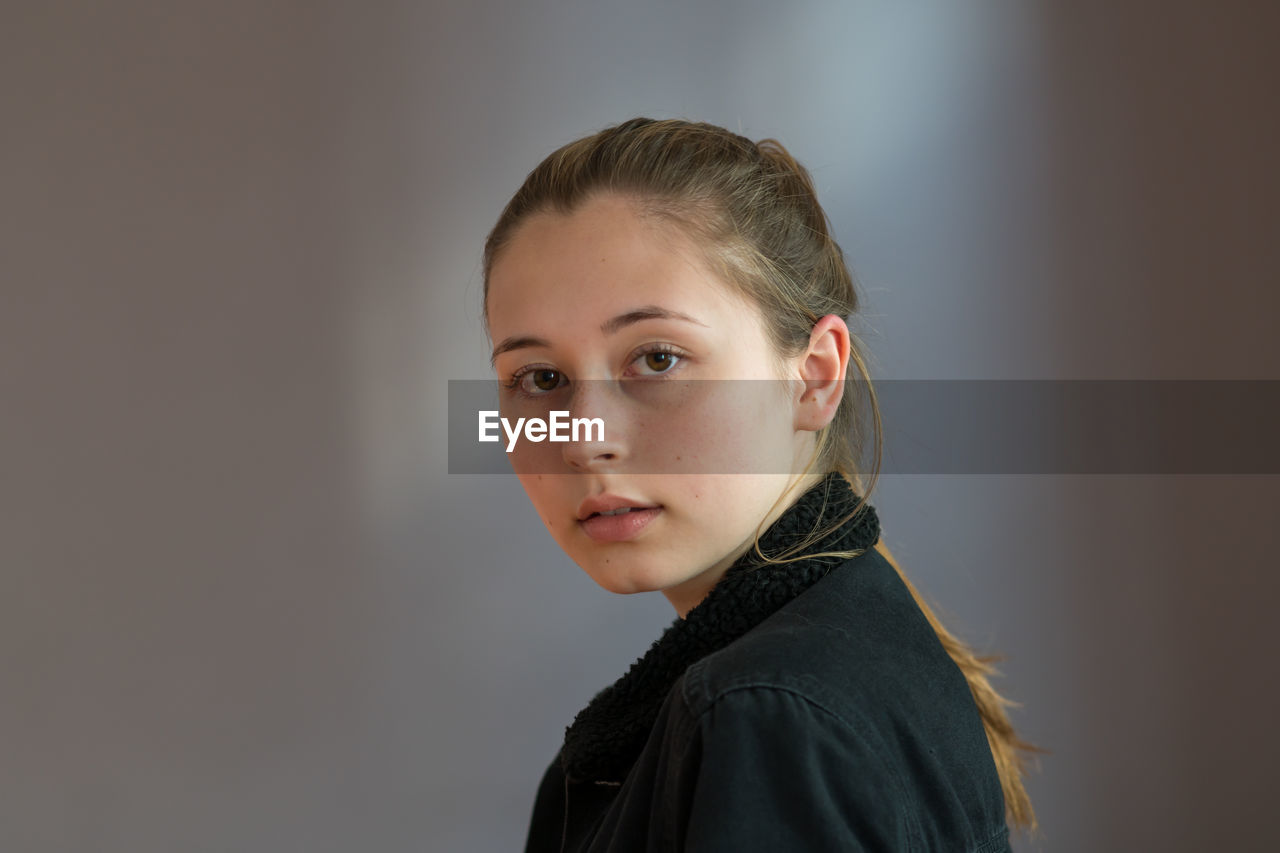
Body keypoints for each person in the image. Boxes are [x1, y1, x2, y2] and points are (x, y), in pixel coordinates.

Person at [481, 117, 1040, 851]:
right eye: (541, 379)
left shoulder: (768, 715)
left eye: (656, 359)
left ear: (814, 376)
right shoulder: (842, 653)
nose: (587, 437)